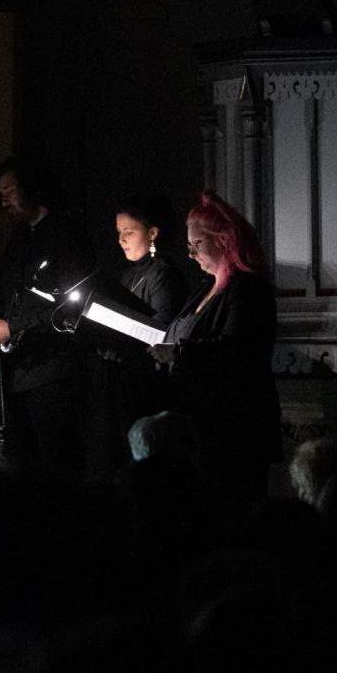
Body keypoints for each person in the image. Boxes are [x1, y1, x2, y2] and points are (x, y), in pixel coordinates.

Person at [148, 190, 282, 507]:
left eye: (197, 245)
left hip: (232, 432)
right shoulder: (207, 287)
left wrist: (178, 354)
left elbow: (238, 350)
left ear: (223, 241)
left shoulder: (248, 288)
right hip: (198, 426)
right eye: (189, 246)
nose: (191, 255)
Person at [0, 157, 94, 480]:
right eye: (1, 193)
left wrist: (11, 327)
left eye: (11, 191)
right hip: (17, 375)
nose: (4, 201)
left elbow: (74, 306)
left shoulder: (67, 237)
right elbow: (1, 296)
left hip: (54, 374)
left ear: (32, 188)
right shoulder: (17, 242)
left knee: (59, 470)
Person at [91, 192, 195, 473]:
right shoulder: (129, 274)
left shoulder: (162, 273)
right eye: (118, 232)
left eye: (129, 231)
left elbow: (161, 329)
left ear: (152, 234)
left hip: (142, 384)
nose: (121, 239)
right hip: (118, 378)